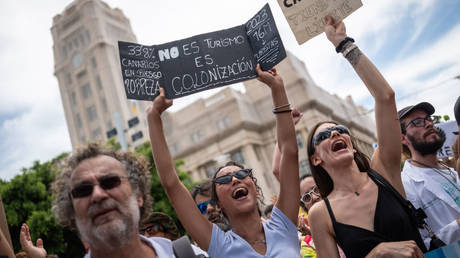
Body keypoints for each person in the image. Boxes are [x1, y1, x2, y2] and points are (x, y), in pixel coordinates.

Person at [147, 63, 301, 257]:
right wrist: (154, 116)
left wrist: (277, 88)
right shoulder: (218, 244)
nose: (235, 179)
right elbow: (171, 183)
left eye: (242, 174)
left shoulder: (283, 225)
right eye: (224, 180)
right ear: (217, 203)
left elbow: (289, 151)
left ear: (254, 186)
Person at [306, 17, 426, 258]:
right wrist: (375, 254)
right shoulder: (320, 214)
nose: (336, 133)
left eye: (340, 129)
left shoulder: (384, 173)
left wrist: (343, 44)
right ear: (316, 159)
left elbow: (385, 97)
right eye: (325, 135)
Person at [20, 143, 198, 258]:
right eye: (83, 190)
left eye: (110, 181)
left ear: (139, 196)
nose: (97, 195)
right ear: (72, 214)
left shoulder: (189, 255)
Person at [399, 97, 460, 247]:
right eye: (417, 122)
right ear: (402, 138)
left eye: (428, 119)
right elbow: (422, 244)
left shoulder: (452, 171)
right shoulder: (406, 186)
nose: (428, 124)